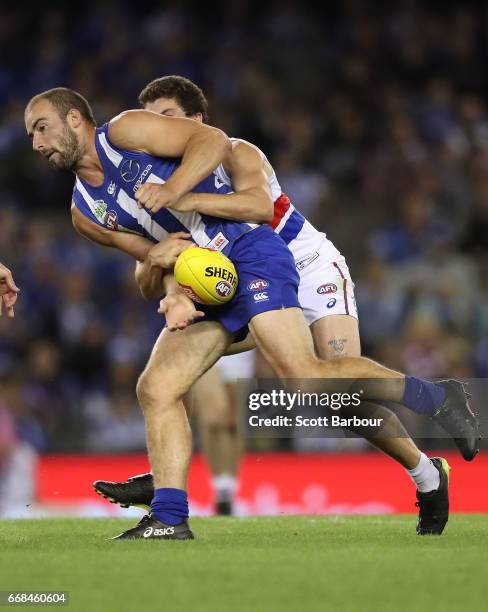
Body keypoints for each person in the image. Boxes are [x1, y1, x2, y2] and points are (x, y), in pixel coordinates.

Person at [25, 87, 478, 540]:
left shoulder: (160, 139)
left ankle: (436, 402)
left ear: (75, 119)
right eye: (30, 134)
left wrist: (176, 192)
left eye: (41, 128)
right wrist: (174, 291)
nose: (36, 143)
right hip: (217, 277)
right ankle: (168, 515)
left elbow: (247, 191)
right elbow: (159, 255)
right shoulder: (85, 212)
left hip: (280, 255)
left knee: (318, 388)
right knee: (157, 386)